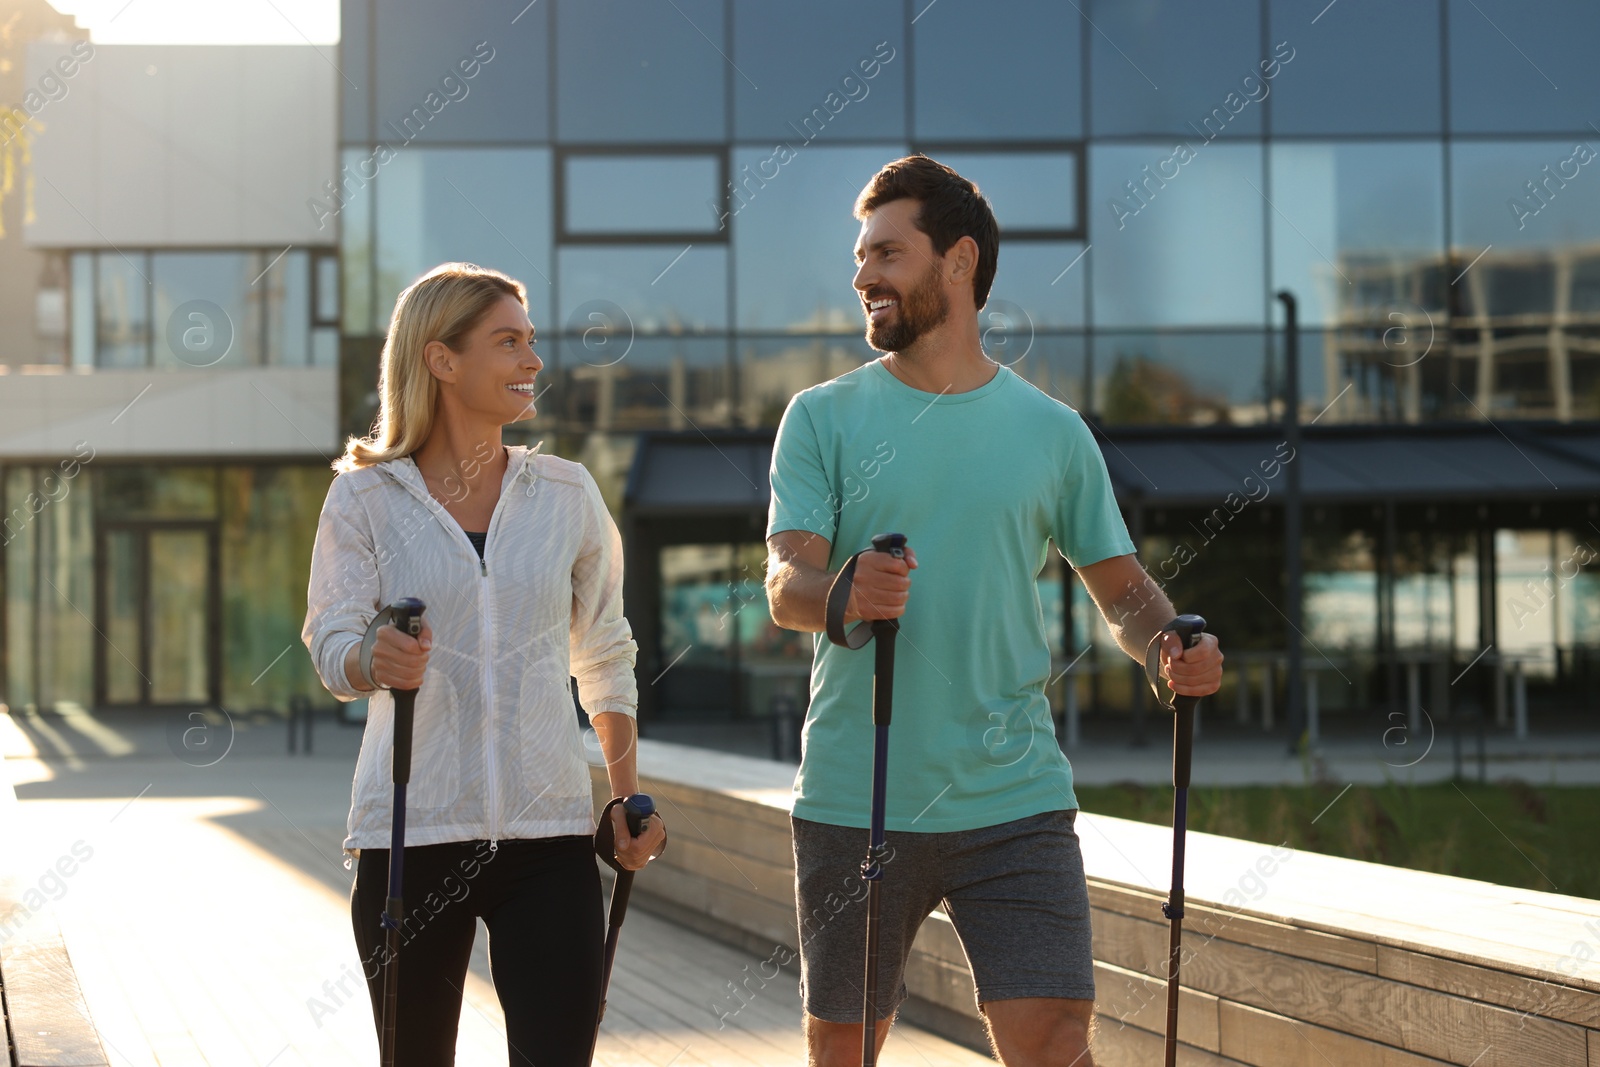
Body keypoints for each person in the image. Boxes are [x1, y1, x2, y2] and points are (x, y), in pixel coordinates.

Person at [764, 156, 1224, 1067]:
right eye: (860, 256)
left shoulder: (1051, 431)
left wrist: (1168, 643)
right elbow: (787, 587)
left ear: (959, 261)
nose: (863, 276)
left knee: (1055, 1039)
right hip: (860, 791)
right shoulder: (822, 418)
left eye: (887, 253)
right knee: (843, 1050)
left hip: (1014, 794)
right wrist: (845, 591)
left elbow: (1124, 592)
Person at [301, 262, 665, 1066]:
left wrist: (624, 795)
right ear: (441, 359)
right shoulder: (365, 498)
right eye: (508, 342)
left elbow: (604, 650)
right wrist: (372, 655)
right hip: (412, 832)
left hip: (551, 839)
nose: (533, 360)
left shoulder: (565, 494)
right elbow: (331, 640)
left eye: (531, 341)